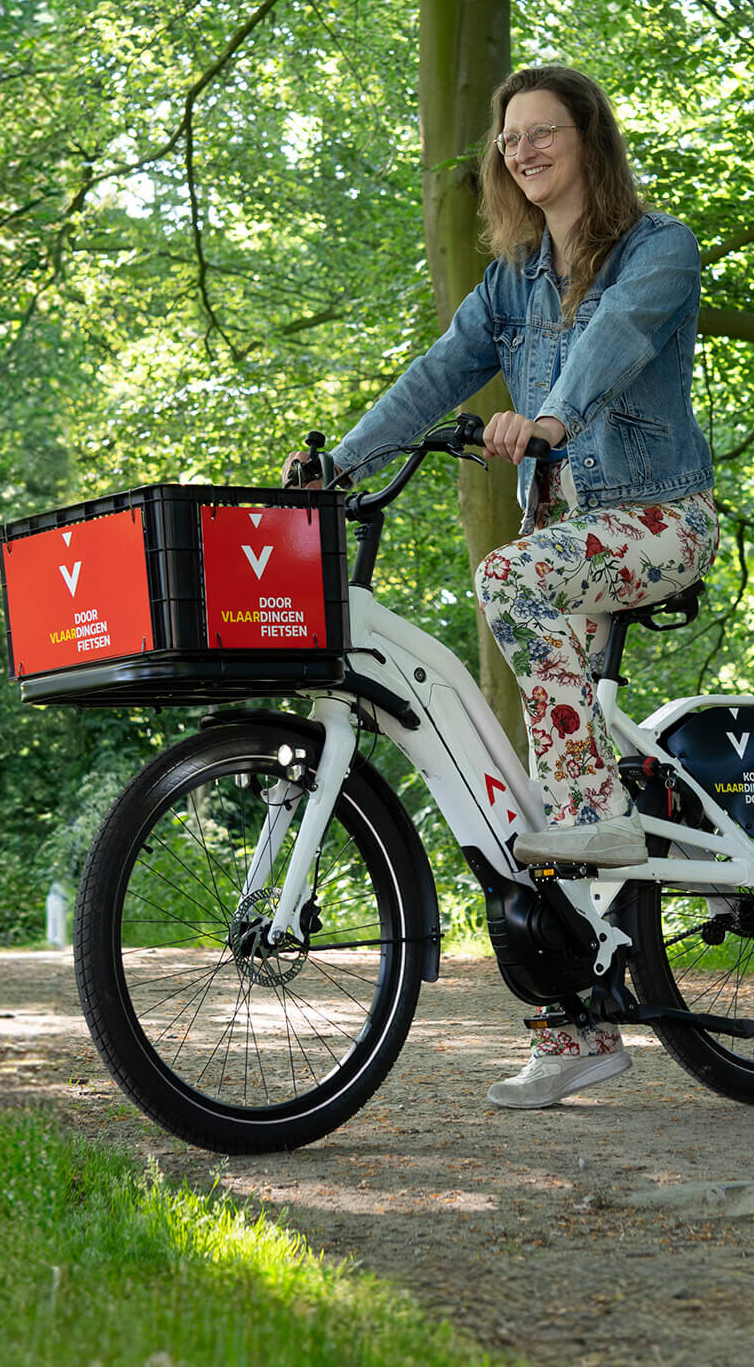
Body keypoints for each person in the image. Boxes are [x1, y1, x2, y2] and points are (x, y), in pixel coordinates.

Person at [284, 64, 717, 1109]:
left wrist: (554, 418)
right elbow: (438, 374)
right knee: (498, 788)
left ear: (588, 140)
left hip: (659, 520)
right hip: (567, 539)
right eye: (509, 138)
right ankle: (572, 1030)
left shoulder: (658, 248)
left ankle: (594, 812)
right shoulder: (512, 280)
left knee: (512, 583)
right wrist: (334, 467)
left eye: (543, 132)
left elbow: (611, 343)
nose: (523, 151)